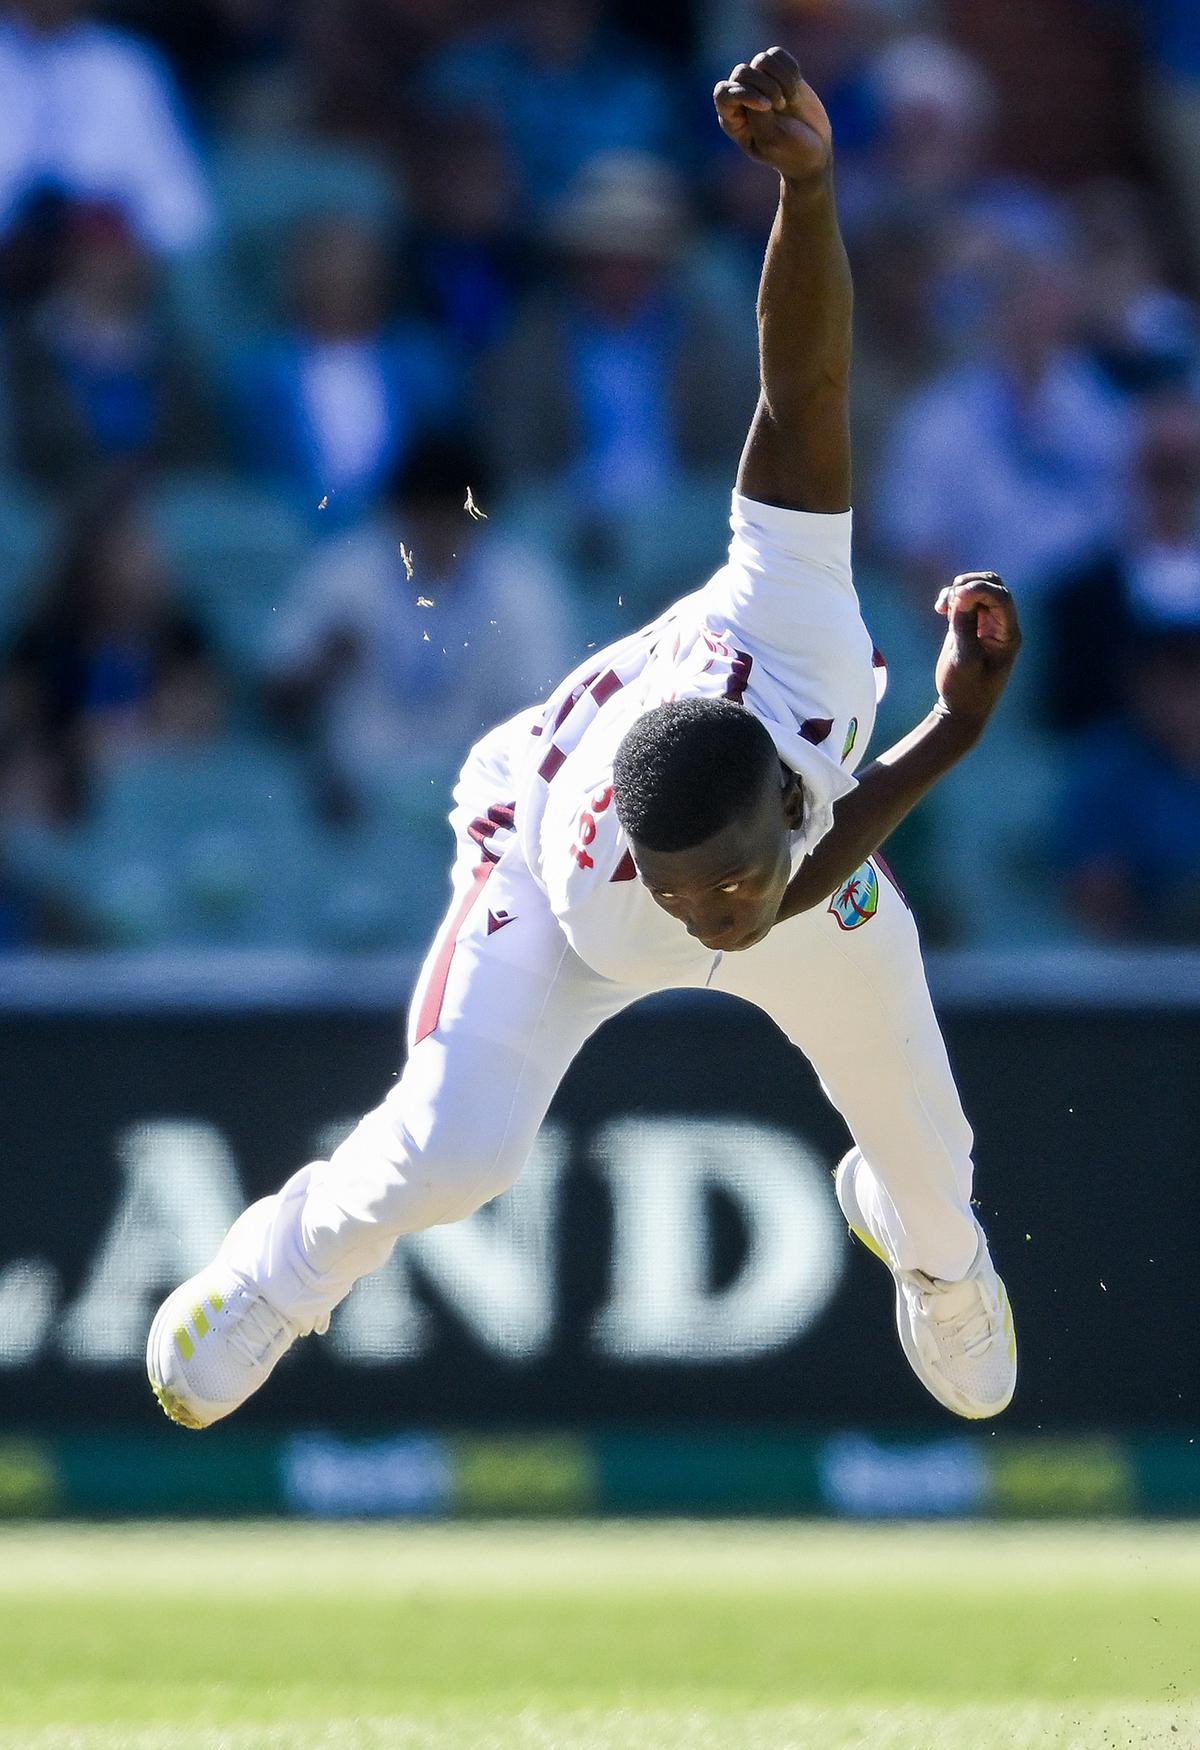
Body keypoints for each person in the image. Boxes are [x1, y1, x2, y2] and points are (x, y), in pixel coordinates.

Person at [147, 48, 1022, 1431]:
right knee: (460, 1149)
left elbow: (805, 389)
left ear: (791, 806)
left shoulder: (786, 619)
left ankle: (939, 1261)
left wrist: (809, 185)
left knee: (929, 1158)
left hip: (771, 820)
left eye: (731, 887)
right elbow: (745, 887)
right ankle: (280, 1266)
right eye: (700, 900)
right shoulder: (622, 882)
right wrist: (945, 738)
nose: (722, 924)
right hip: (544, 858)